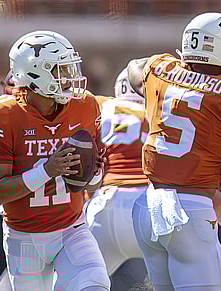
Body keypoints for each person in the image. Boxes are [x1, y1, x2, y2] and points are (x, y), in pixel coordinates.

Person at [127, 12, 221, 291]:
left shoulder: (161, 68)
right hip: (191, 212)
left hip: (147, 207)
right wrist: (199, 171)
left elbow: (135, 69)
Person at [0, 30, 110, 290]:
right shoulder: (1, 114)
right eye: (61, 70)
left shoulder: (85, 106)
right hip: (24, 238)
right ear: (36, 74)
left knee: (95, 284)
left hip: (72, 229)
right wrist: (47, 170)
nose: (70, 78)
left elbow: (91, 185)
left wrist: (94, 173)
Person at [85, 67, 149, 290]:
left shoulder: (100, 106)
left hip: (104, 203)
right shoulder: (160, 112)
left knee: (79, 281)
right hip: (148, 208)